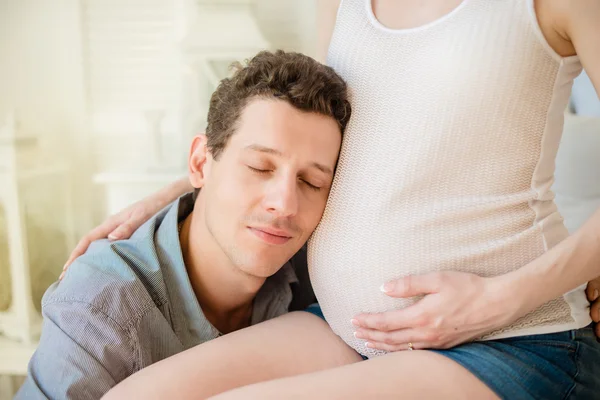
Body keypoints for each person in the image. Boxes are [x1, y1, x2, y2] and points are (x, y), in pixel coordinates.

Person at [74, 0, 600, 399]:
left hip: (510, 339)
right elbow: (311, 134)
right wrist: (194, 184)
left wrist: (501, 299)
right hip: (347, 327)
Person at [15, 50, 352, 400]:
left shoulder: (320, 267)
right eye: (259, 167)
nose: (284, 204)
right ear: (199, 163)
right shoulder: (98, 306)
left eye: (312, 182)